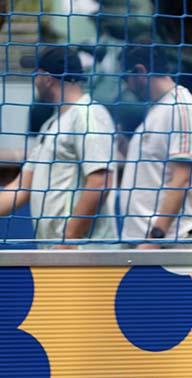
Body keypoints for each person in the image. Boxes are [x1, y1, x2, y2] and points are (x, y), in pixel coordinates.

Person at [0, 46, 117, 248]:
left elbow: (100, 181)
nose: (34, 81)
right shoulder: (51, 125)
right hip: (58, 252)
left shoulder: (88, 115)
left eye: (36, 74)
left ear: (46, 79)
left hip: (85, 253)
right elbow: (22, 187)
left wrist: (68, 239)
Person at [118, 42, 192, 248]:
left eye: (126, 78)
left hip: (165, 243)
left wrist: (155, 238)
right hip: (141, 241)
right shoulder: (158, 109)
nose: (126, 86)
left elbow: (181, 179)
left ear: (140, 71)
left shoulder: (180, 107)